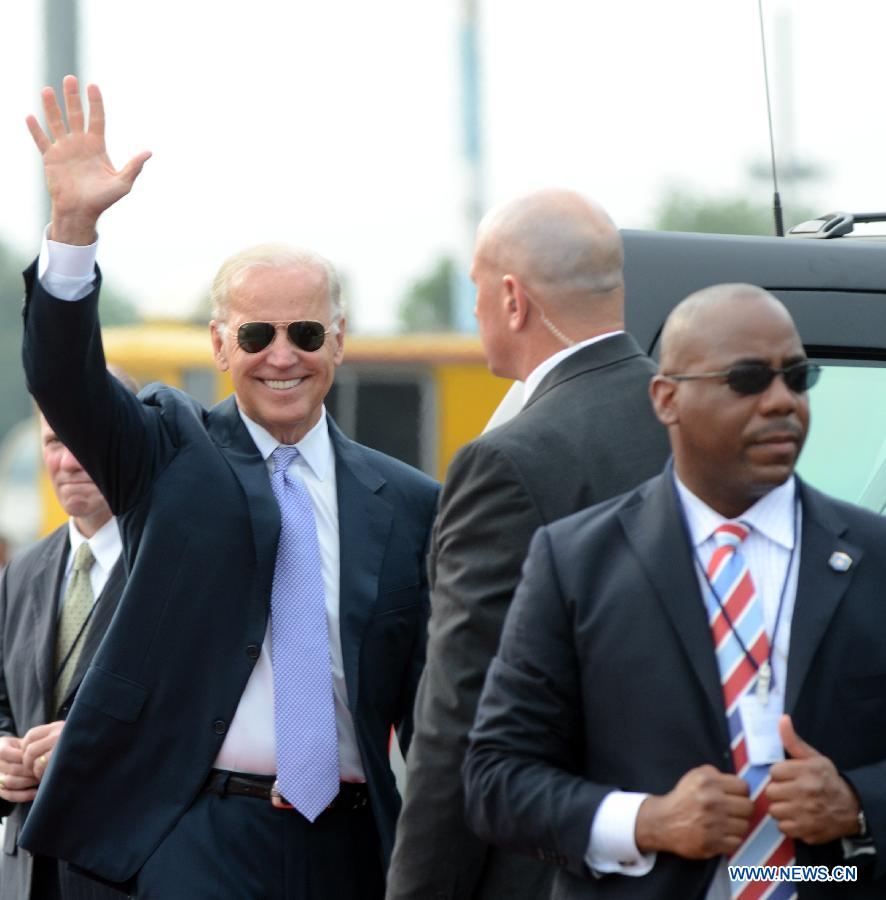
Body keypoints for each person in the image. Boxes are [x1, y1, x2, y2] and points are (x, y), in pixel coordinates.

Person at [19, 76, 439, 899]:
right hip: (196, 837)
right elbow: (65, 383)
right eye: (256, 333)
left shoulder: (411, 504)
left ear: (339, 342)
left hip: (354, 848)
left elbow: (435, 713)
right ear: (219, 343)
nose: (282, 355)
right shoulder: (168, 453)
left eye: (305, 332)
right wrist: (73, 230)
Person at [463, 283, 886, 898]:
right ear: (667, 399)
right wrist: (648, 821)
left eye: (797, 377)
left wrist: (857, 801)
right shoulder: (577, 562)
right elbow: (496, 779)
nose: (782, 402)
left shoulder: (875, 557)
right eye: (747, 379)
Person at [386, 189, 670, 899]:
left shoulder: (509, 461)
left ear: (512, 299)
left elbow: (461, 710)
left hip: (547, 867)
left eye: (476, 288)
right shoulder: (695, 426)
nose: (476, 309)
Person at [0, 371, 137, 900]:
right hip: (27, 877)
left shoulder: (170, 570)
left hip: (123, 875)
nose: (70, 461)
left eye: (86, 439)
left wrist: (90, 751)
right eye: (56, 442)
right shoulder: (21, 572)